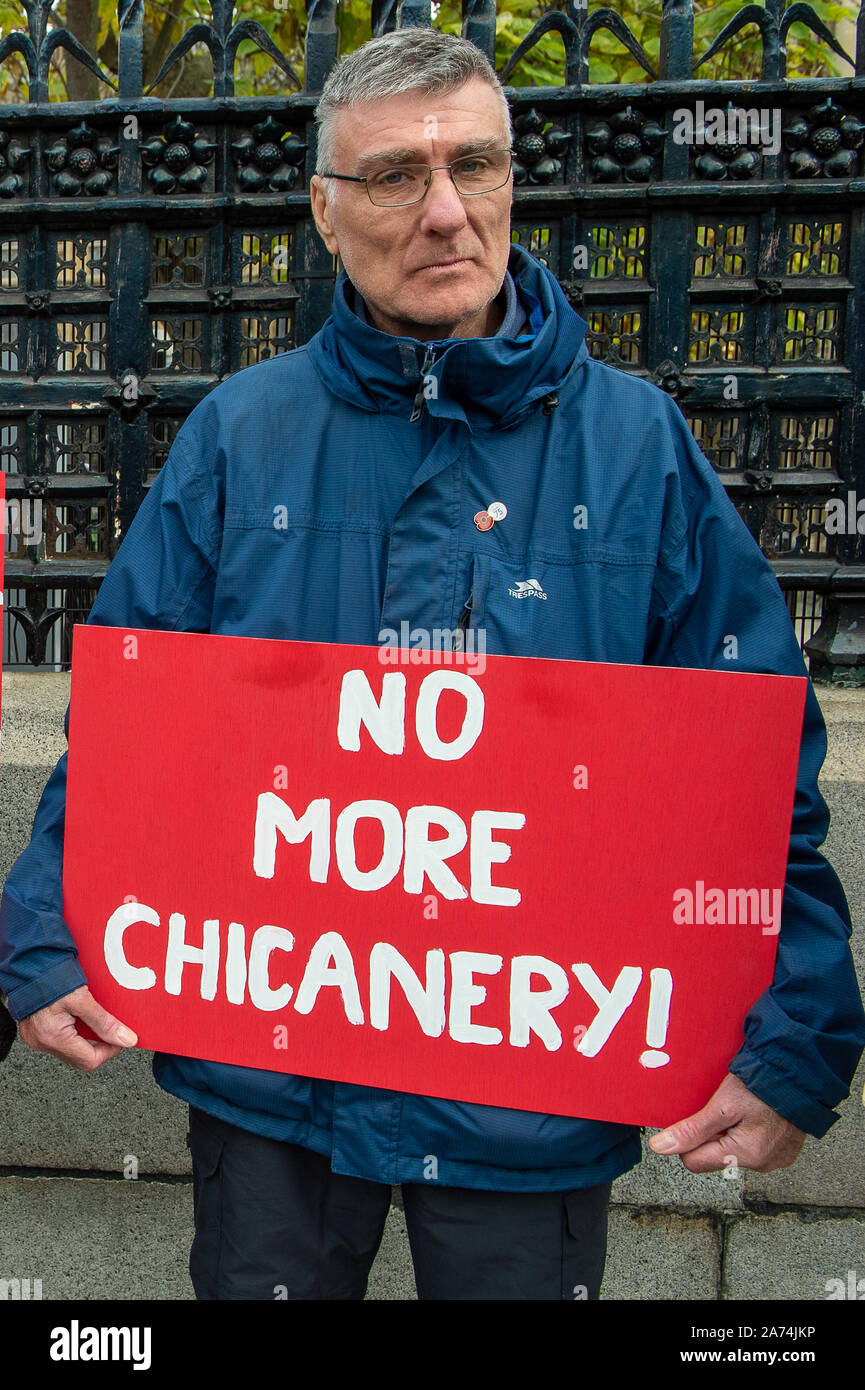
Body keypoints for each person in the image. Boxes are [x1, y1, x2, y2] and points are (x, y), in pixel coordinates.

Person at [1, 28, 863, 1302]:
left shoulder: (638, 450)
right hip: (274, 1085)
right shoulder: (240, 435)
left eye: (475, 164)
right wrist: (41, 932)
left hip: (535, 1089)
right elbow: (131, 736)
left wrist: (796, 1038)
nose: (445, 210)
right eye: (396, 175)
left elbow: (748, 782)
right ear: (325, 211)